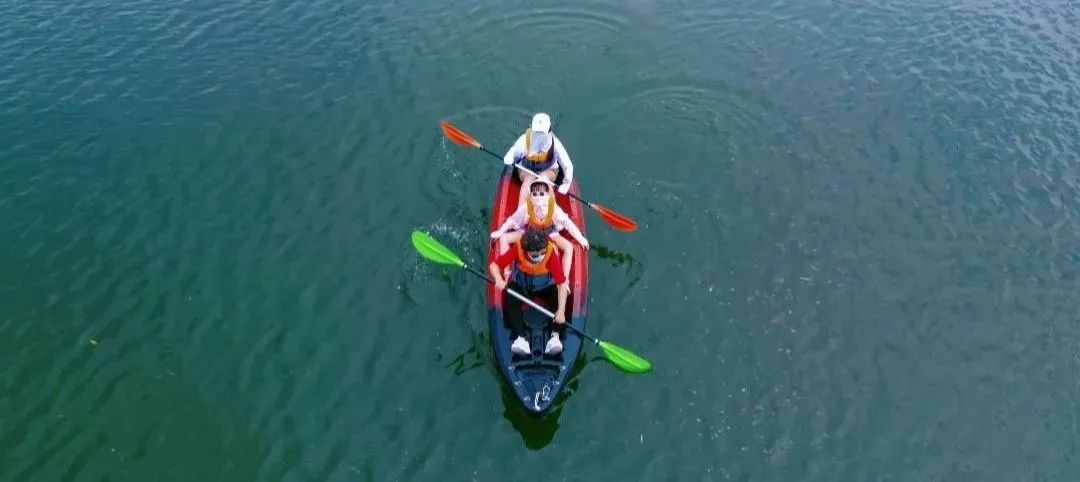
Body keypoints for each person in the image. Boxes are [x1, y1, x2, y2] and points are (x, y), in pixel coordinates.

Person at [488, 227, 569, 356]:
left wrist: (561, 311)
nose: (540, 256)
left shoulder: (550, 255)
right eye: (536, 254)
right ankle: (520, 337)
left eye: (542, 252)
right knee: (510, 293)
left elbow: (561, 284)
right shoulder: (519, 249)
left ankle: (555, 336)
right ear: (528, 251)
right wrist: (498, 279)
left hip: (545, 287)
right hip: (523, 286)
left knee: (557, 295)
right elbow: (494, 266)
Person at [490, 177, 588, 279]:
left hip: (549, 234)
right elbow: (512, 221)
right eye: (535, 194)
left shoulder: (554, 209)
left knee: (569, 247)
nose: (538, 197)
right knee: (504, 238)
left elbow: (567, 223)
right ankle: (507, 272)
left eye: (541, 194)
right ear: (531, 196)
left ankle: (565, 280)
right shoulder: (526, 208)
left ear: (547, 195)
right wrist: (500, 232)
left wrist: (580, 239)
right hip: (529, 233)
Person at [503, 112, 575, 205]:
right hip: (526, 170)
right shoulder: (524, 140)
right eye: (537, 132)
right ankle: (521, 211)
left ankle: (551, 212)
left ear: (549, 131)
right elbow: (513, 152)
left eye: (542, 133)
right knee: (529, 179)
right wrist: (509, 157)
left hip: (549, 171)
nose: (539, 135)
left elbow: (568, 165)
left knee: (544, 179)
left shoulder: (555, 144)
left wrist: (566, 183)